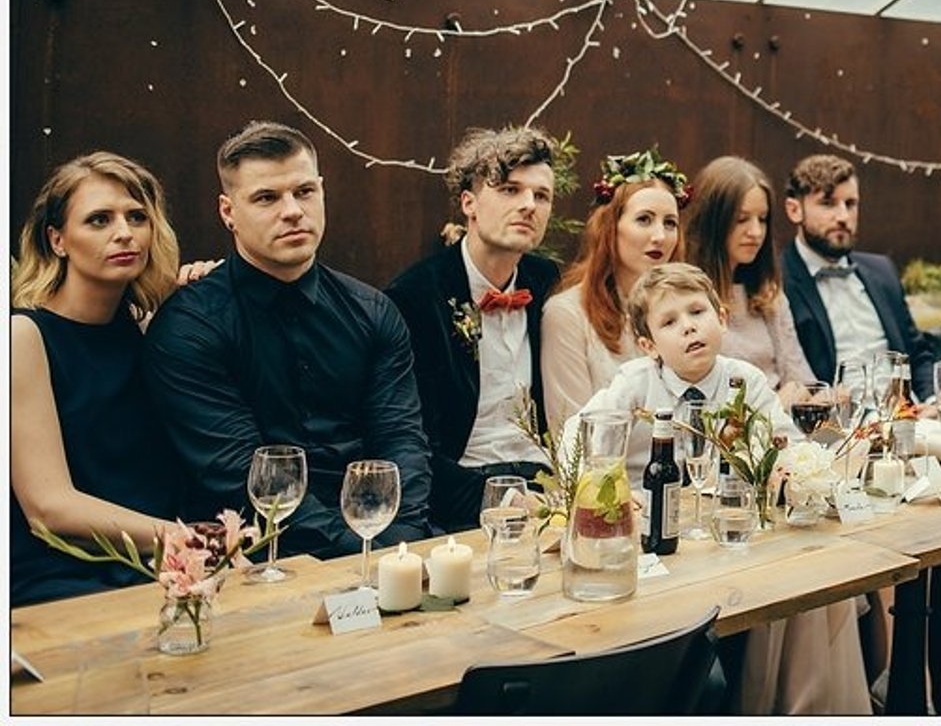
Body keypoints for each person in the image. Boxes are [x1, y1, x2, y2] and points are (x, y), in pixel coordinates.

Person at [569, 263, 871, 715]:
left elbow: (784, 440)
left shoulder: (744, 380)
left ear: (722, 318)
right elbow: (580, 432)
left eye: (697, 312)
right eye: (670, 322)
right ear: (649, 345)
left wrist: (785, 471)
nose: (689, 326)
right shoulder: (636, 382)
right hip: (657, 538)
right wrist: (604, 486)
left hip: (727, 532)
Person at [145, 121, 432, 557]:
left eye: (304, 192)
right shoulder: (190, 326)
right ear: (228, 212)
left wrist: (403, 539)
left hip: (387, 538)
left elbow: (401, 440)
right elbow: (239, 472)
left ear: (322, 191)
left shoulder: (373, 310)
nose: (293, 210)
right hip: (256, 553)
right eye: (266, 197)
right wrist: (358, 553)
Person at [11, 154, 189, 604]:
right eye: (99, 220)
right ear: (58, 240)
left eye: (136, 217)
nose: (124, 232)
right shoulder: (22, 336)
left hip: (155, 568)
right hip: (61, 575)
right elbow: (48, 508)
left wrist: (198, 303)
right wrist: (186, 538)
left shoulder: (146, 328)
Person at [386, 127, 558, 532]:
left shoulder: (548, 281)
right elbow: (413, 444)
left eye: (541, 195)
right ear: (469, 203)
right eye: (510, 190)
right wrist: (494, 498)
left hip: (548, 480)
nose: (529, 205)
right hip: (464, 488)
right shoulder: (415, 296)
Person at [540, 149, 685, 429]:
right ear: (610, 228)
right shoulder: (567, 314)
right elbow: (570, 435)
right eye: (644, 219)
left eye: (670, 223)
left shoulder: (685, 311)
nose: (660, 237)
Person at [781, 154, 933, 402]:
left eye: (850, 204)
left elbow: (917, 353)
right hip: (835, 427)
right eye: (828, 203)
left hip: (909, 417)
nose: (843, 216)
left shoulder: (882, 270)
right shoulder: (778, 280)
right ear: (794, 210)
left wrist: (933, 401)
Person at [684, 156, 812, 403]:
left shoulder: (767, 293)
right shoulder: (685, 298)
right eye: (742, 219)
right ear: (714, 221)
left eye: (762, 219)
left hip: (783, 431)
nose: (756, 232)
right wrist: (775, 403)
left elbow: (801, 381)